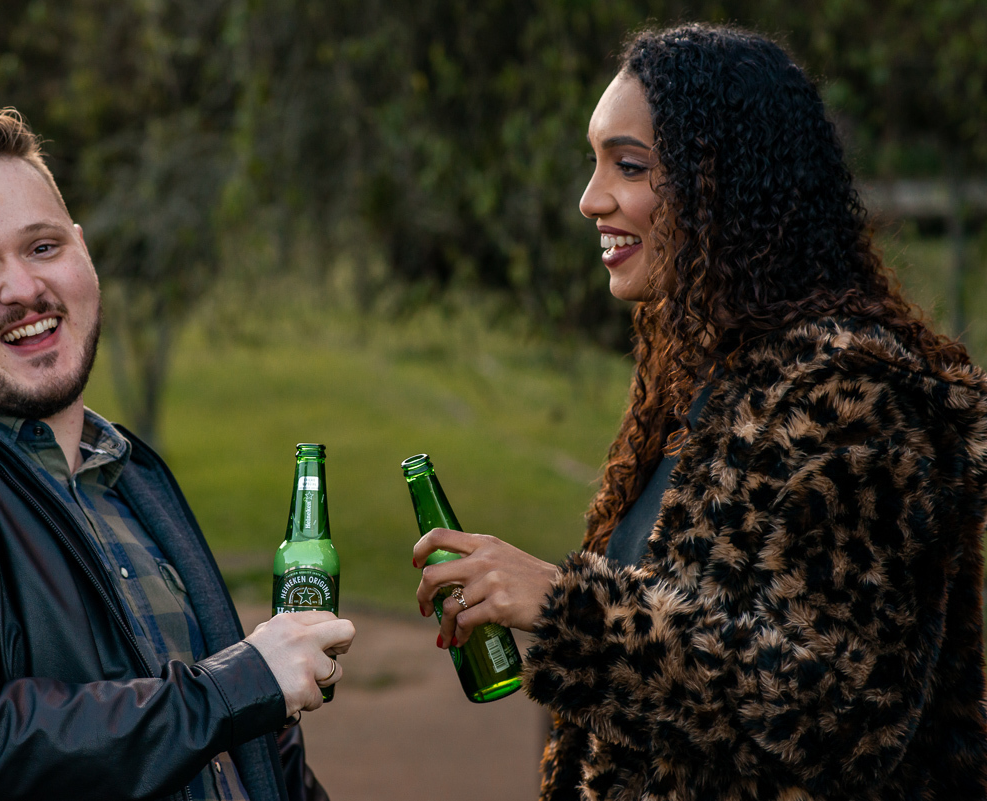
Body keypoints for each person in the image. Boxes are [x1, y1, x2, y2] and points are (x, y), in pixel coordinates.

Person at [414, 23, 987, 800]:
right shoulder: (704, 385)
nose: (592, 199)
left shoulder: (854, 402)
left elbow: (835, 716)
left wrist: (565, 609)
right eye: (595, 163)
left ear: (728, 184)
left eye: (630, 166)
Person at [0, 109, 354, 801]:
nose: (23, 288)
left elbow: (254, 755)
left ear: (83, 251)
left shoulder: (129, 474)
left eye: (44, 247)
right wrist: (237, 684)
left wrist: (247, 693)